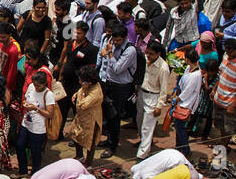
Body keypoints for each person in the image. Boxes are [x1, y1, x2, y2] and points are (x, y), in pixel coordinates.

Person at [96, 26, 136, 157]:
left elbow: (118, 68)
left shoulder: (130, 50)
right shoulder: (111, 44)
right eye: (114, 40)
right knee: (107, 115)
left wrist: (110, 54)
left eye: (118, 40)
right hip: (109, 82)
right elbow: (103, 57)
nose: (116, 43)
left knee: (115, 116)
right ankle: (108, 140)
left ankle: (112, 146)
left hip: (121, 86)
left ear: (124, 38)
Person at [211, 38, 236, 148]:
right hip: (219, 98)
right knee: (219, 124)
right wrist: (214, 89)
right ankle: (223, 142)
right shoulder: (225, 56)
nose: (228, 53)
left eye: (230, 51)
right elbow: (221, 74)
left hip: (230, 102)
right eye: (226, 51)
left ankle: (224, 145)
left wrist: (232, 105)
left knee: (229, 127)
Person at [135, 41, 170, 159]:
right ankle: (143, 142)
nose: (148, 55)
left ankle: (142, 154)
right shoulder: (145, 60)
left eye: (151, 54)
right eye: (147, 53)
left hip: (153, 97)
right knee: (139, 121)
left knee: (147, 127)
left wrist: (159, 106)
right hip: (141, 93)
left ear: (158, 54)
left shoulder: (163, 68)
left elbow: (164, 89)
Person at [17, 70, 54, 176]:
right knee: (20, 145)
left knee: (35, 152)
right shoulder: (31, 87)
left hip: (38, 128)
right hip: (26, 123)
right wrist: (26, 104)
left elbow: (50, 114)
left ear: (44, 84)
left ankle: (35, 174)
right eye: (35, 85)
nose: (36, 87)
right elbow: (26, 99)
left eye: (38, 86)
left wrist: (35, 109)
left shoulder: (48, 94)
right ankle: (22, 170)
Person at [64, 64, 102, 166]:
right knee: (76, 134)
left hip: (91, 120)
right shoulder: (86, 86)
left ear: (89, 82)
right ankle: (79, 155)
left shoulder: (96, 92)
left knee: (90, 142)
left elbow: (84, 104)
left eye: (82, 81)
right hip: (81, 117)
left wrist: (79, 98)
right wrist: (77, 94)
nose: (80, 82)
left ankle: (88, 162)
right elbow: (80, 91)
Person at [173, 48, 202, 156]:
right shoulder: (188, 69)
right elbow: (181, 84)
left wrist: (176, 98)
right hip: (181, 102)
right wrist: (176, 94)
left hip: (187, 104)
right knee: (178, 126)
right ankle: (179, 147)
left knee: (180, 127)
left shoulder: (196, 75)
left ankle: (185, 150)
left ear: (188, 59)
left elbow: (188, 92)